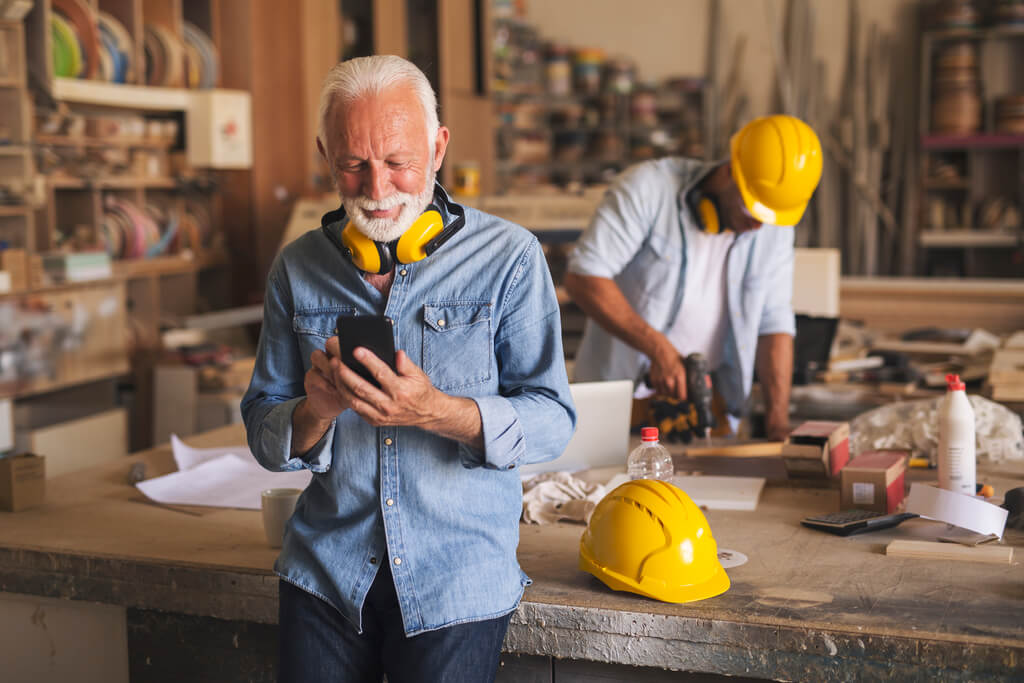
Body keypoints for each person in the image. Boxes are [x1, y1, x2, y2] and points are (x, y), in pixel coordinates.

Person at [241, 55, 575, 683]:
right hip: (326, 573)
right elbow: (263, 428)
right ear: (325, 154)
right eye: (353, 164)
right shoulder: (296, 267)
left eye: (398, 162)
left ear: (439, 146)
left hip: (458, 579)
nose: (376, 187)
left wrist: (438, 412)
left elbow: (554, 421)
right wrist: (315, 412)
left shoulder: (510, 258)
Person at [564, 115, 822, 442]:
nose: (759, 226)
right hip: (621, 407)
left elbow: (774, 322)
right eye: (753, 210)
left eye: (768, 217)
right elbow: (584, 276)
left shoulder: (774, 225)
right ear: (731, 169)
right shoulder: (649, 189)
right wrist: (659, 349)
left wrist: (776, 422)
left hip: (710, 407)